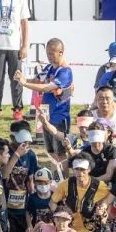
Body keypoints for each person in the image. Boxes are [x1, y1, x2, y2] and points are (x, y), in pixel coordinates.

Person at [16, 38, 74, 167]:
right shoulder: (49, 68)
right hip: (46, 116)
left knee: (61, 153)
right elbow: (37, 81)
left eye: (52, 53)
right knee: (51, 152)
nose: (49, 56)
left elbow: (46, 88)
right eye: (48, 53)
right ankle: (56, 176)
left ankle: (63, 177)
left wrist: (25, 84)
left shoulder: (65, 71)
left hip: (60, 118)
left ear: (61, 52)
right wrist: (23, 78)